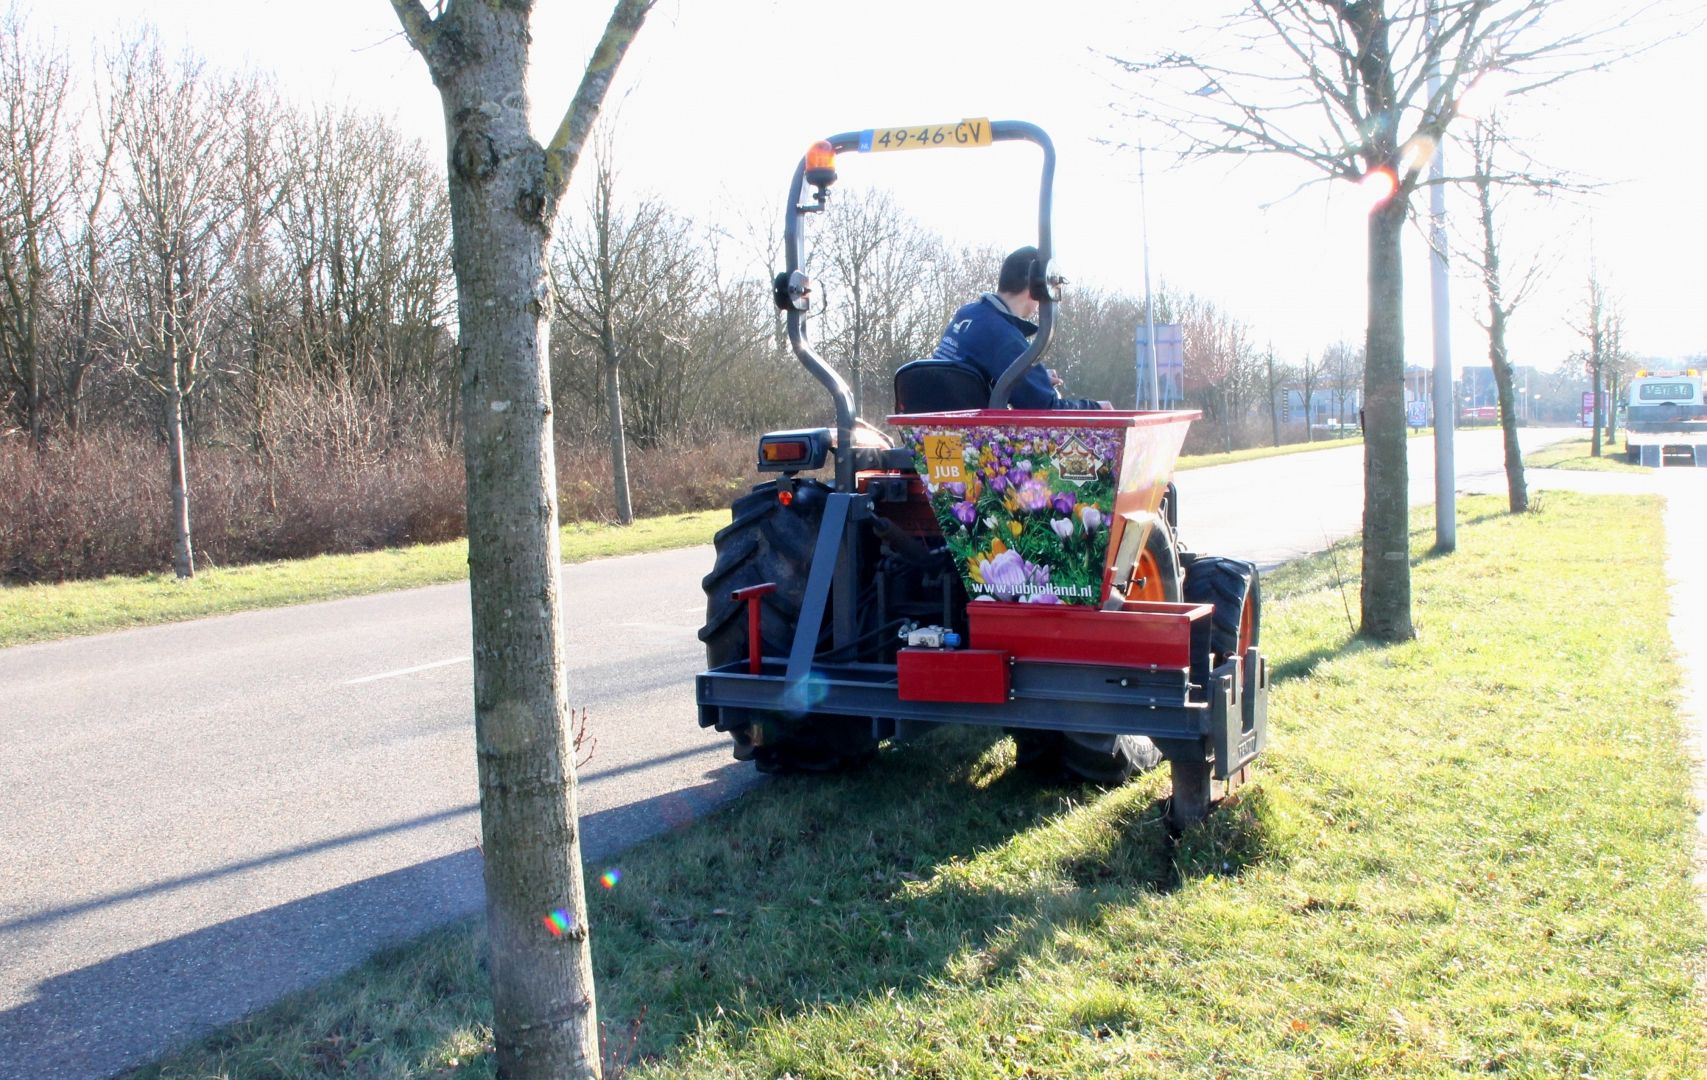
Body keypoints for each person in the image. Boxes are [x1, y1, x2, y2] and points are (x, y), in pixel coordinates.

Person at [930, 245, 1104, 409]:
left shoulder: (968, 313)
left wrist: (1036, 379)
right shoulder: (1004, 336)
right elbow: (1045, 408)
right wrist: (1097, 408)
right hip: (972, 436)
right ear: (1036, 289)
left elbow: (977, 375)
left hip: (931, 429)